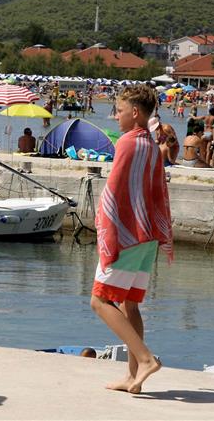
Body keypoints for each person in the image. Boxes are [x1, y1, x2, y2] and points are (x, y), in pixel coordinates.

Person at [91, 84, 172, 395]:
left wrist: (107, 233)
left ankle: (145, 358)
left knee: (99, 301)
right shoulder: (151, 144)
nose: (116, 116)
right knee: (130, 304)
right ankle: (132, 377)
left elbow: (114, 192)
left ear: (135, 113)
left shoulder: (127, 142)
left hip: (127, 235)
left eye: (119, 111)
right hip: (148, 234)